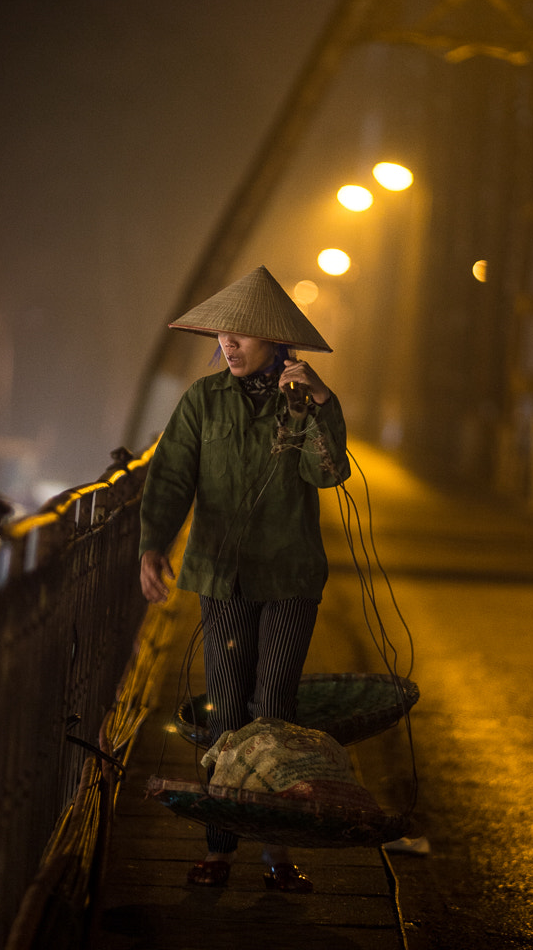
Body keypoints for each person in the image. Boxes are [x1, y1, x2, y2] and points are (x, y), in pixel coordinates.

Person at [139, 265, 350, 891]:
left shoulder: (306, 401)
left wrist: (317, 403)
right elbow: (172, 475)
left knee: (274, 708)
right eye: (223, 336)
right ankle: (220, 848)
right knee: (226, 706)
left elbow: (329, 473)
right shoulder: (203, 400)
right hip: (222, 576)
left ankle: (277, 851)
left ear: (277, 343)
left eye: (243, 335)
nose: (228, 344)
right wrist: (153, 545)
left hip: (289, 576)